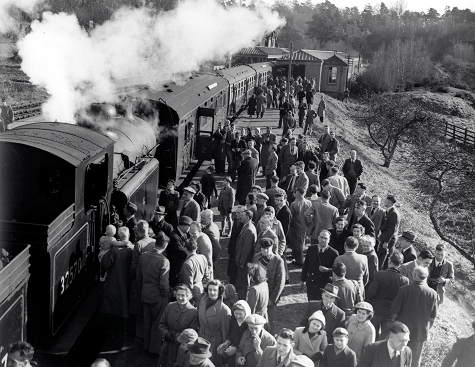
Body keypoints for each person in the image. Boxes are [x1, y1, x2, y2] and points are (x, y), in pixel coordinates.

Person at [391, 266, 438, 367]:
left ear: (416, 275)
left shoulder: (404, 290)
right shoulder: (433, 294)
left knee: (395, 355)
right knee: (414, 360)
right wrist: (427, 329)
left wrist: (393, 323)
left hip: (401, 330)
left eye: (413, 273)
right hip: (420, 332)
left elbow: (394, 310)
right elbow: (433, 317)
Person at [137, 231, 170, 355]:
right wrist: (166, 294)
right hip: (158, 296)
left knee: (147, 321)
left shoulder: (143, 256)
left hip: (145, 293)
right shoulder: (164, 261)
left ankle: (146, 345)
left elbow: (138, 276)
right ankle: (154, 349)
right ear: (165, 245)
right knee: (157, 323)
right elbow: (164, 283)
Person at [366, 251, 409, 341]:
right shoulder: (405, 280)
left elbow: (371, 293)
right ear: (400, 264)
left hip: (376, 310)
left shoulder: (379, 274)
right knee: (385, 339)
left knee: (372, 336)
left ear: (389, 261)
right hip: (391, 313)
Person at [100, 227, 133, 340]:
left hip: (114, 281)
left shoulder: (114, 250)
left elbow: (105, 263)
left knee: (111, 306)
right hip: (128, 281)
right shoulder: (132, 248)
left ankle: (112, 332)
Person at [158, 285, 199, 367]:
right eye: (178, 295)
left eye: (183, 295)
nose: (180, 298)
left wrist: (176, 337)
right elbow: (161, 323)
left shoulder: (193, 312)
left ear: (188, 296)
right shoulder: (170, 306)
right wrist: (166, 334)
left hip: (182, 348)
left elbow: (192, 333)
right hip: (167, 346)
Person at [129, 221, 156, 338]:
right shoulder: (154, 242)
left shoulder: (138, 244)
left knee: (139, 310)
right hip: (153, 280)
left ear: (139, 232)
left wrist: (130, 276)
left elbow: (134, 265)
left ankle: (140, 335)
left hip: (140, 280)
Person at [252, 238, 285, 333]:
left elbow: (280, 283)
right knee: (257, 322)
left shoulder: (278, 260)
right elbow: (252, 275)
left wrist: (272, 299)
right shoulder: (256, 257)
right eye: (263, 249)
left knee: (270, 324)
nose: (265, 251)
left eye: (268, 248)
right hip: (258, 295)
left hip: (270, 296)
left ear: (272, 247)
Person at [198, 280, 232, 366]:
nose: (212, 292)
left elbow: (225, 333)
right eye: (210, 290)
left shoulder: (224, 310)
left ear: (220, 291)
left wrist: (224, 353)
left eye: (215, 290)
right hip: (201, 338)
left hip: (214, 344)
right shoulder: (202, 302)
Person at [301, 232, 339, 301]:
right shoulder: (311, 249)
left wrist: (327, 269)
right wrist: (302, 280)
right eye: (321, 237)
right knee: (312, 304)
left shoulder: (333, 253)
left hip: (325, 284)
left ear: (329, 240)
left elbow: (337, 270)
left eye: (325, 238)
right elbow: (306, 265)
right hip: (312, 283)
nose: (323, 240)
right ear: (318, 238)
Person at [219, 300, 251, 367]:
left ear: (246, 313)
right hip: (232, 353)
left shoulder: (249, 325)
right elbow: (231, 333)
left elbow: (249, 343)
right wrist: (227, 343)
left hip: (243, 356)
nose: (238, 316)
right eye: (236, 313)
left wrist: (236, 349)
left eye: (240, 314)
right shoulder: (233, 320)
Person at [236, 210, 258, 299]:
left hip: (245, 263)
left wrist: (242, 263)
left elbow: (246, 249)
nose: (241, 217)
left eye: (243, 215)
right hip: (245, 261)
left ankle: (243, 300)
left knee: (243, 284)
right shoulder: (248, 227)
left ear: (248, 217)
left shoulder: (249, 230)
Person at [287, 187, 312, 265]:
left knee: (299, 244)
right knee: (300, 242)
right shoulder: (309, 202)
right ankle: (295, 255)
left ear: (296, 194)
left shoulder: (294, 204)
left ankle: (300, 261)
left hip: (295, 225)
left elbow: (290, 216)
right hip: (304, 225)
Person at [168, 216, 192, 288]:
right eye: (189, 226)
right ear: (184, 226)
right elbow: (182, 252)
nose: (190, 228)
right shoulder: (174, 237)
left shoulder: (184, 233)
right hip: (175, 268)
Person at [378, 195, 401, 270]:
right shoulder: (390, 211)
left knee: (384, 258)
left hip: (388, 239)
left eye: (385, 200)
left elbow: (391, 229)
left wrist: (386, 241)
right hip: (385, 237)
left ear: (389, 202)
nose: (384, 201)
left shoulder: (393, 213)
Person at [228, 206, 245, 286]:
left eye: (239, 213)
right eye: (236, 212)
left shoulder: (244, 224)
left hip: (238, 251)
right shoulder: (235, 220)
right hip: (232, 249)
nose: (236, 214)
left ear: (243, 214)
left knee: (235, 272)